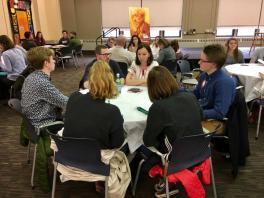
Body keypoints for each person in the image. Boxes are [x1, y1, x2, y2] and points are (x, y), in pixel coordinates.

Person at [64, 60, 125, 148]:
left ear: (89, 80)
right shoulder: (112, 111)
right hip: (96, 159)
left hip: (67, 153)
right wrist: (119, 122)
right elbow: (117, 143)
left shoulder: (74, 97)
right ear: (111, 82)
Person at [143, 66, 203, 153]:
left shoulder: (158, 107)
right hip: (199, 152)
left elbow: (148, 141)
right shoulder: (191, 96)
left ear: (151, 87)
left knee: (139, 148)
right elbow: (201, 117)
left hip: (175, 158)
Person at [193, 44, 236, 134]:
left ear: (213, 64)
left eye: (202, 60)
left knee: (181, 127)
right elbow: (197, 93)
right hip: (204, 111)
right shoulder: (205, 75)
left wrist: (196, 113)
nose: (198, 62)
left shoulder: (224, 82)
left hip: (217, 121)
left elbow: (220, 112)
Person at [21, 47, 68, 127]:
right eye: (52, 58)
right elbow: (66, 103)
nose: (54, 61)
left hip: (33, 119)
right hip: (44, 123)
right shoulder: (41, 83)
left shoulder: (31, 77)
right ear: (46, 63)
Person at [0, 35, 27, 100]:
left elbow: (8, 70)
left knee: (1, 76)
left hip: (14, 78)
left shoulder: (5, 53)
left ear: (2, 44)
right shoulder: (17, 49)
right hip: (23, 75)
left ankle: (5, 96)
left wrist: (0, 63)